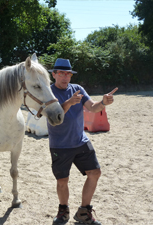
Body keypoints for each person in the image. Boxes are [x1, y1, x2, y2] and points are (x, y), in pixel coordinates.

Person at [47, 58, 118, 224]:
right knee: (62, 181)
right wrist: (69, 103)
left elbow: (92, 107)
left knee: (95, 173)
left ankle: (84, 212)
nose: (66, 77)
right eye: (62, 73)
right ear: (54, 74)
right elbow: (54, 115)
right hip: (60, 145)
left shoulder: (77, 89)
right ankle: (63, 211)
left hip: (80, 141)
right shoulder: (48, 93)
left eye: (68, 74)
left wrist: (103, 102)